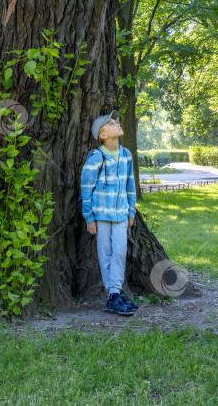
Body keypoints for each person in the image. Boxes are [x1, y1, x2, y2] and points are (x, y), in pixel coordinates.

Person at [80, 109, 138, 316]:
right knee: (105, 253)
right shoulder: (96, 157)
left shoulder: (125, 155)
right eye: (111, 124)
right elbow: (86, 189)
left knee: (120, 252)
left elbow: (131, 184)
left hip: (122, 214)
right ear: (102, 135)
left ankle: (115, 292)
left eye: (116, 122)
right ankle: (113, 294)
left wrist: (131, 212)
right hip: (101, 216)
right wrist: (89, 217)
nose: (117, 124)